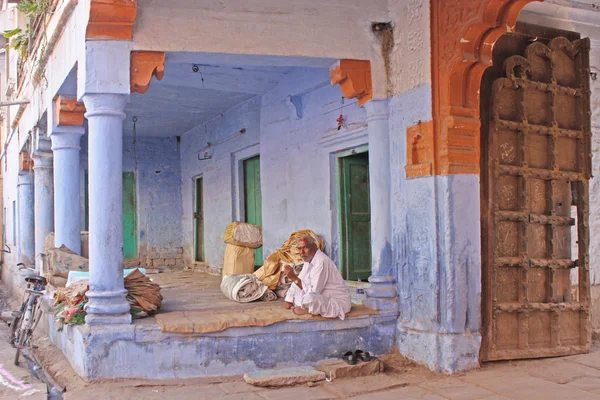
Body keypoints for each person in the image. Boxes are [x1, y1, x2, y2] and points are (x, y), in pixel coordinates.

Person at [283, 236, 351, 320]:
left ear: (315, 247)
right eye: (299, 249)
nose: (302, 252)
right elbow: (300, 281)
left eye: (305, 248)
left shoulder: (321, 261)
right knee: (297, 291)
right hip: (322, 297)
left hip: (337, 302)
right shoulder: (308, 260)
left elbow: (314, 292)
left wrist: (294, 278)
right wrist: (288, 299)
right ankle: (307, 307)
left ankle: (308, 309)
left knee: (310, 298)